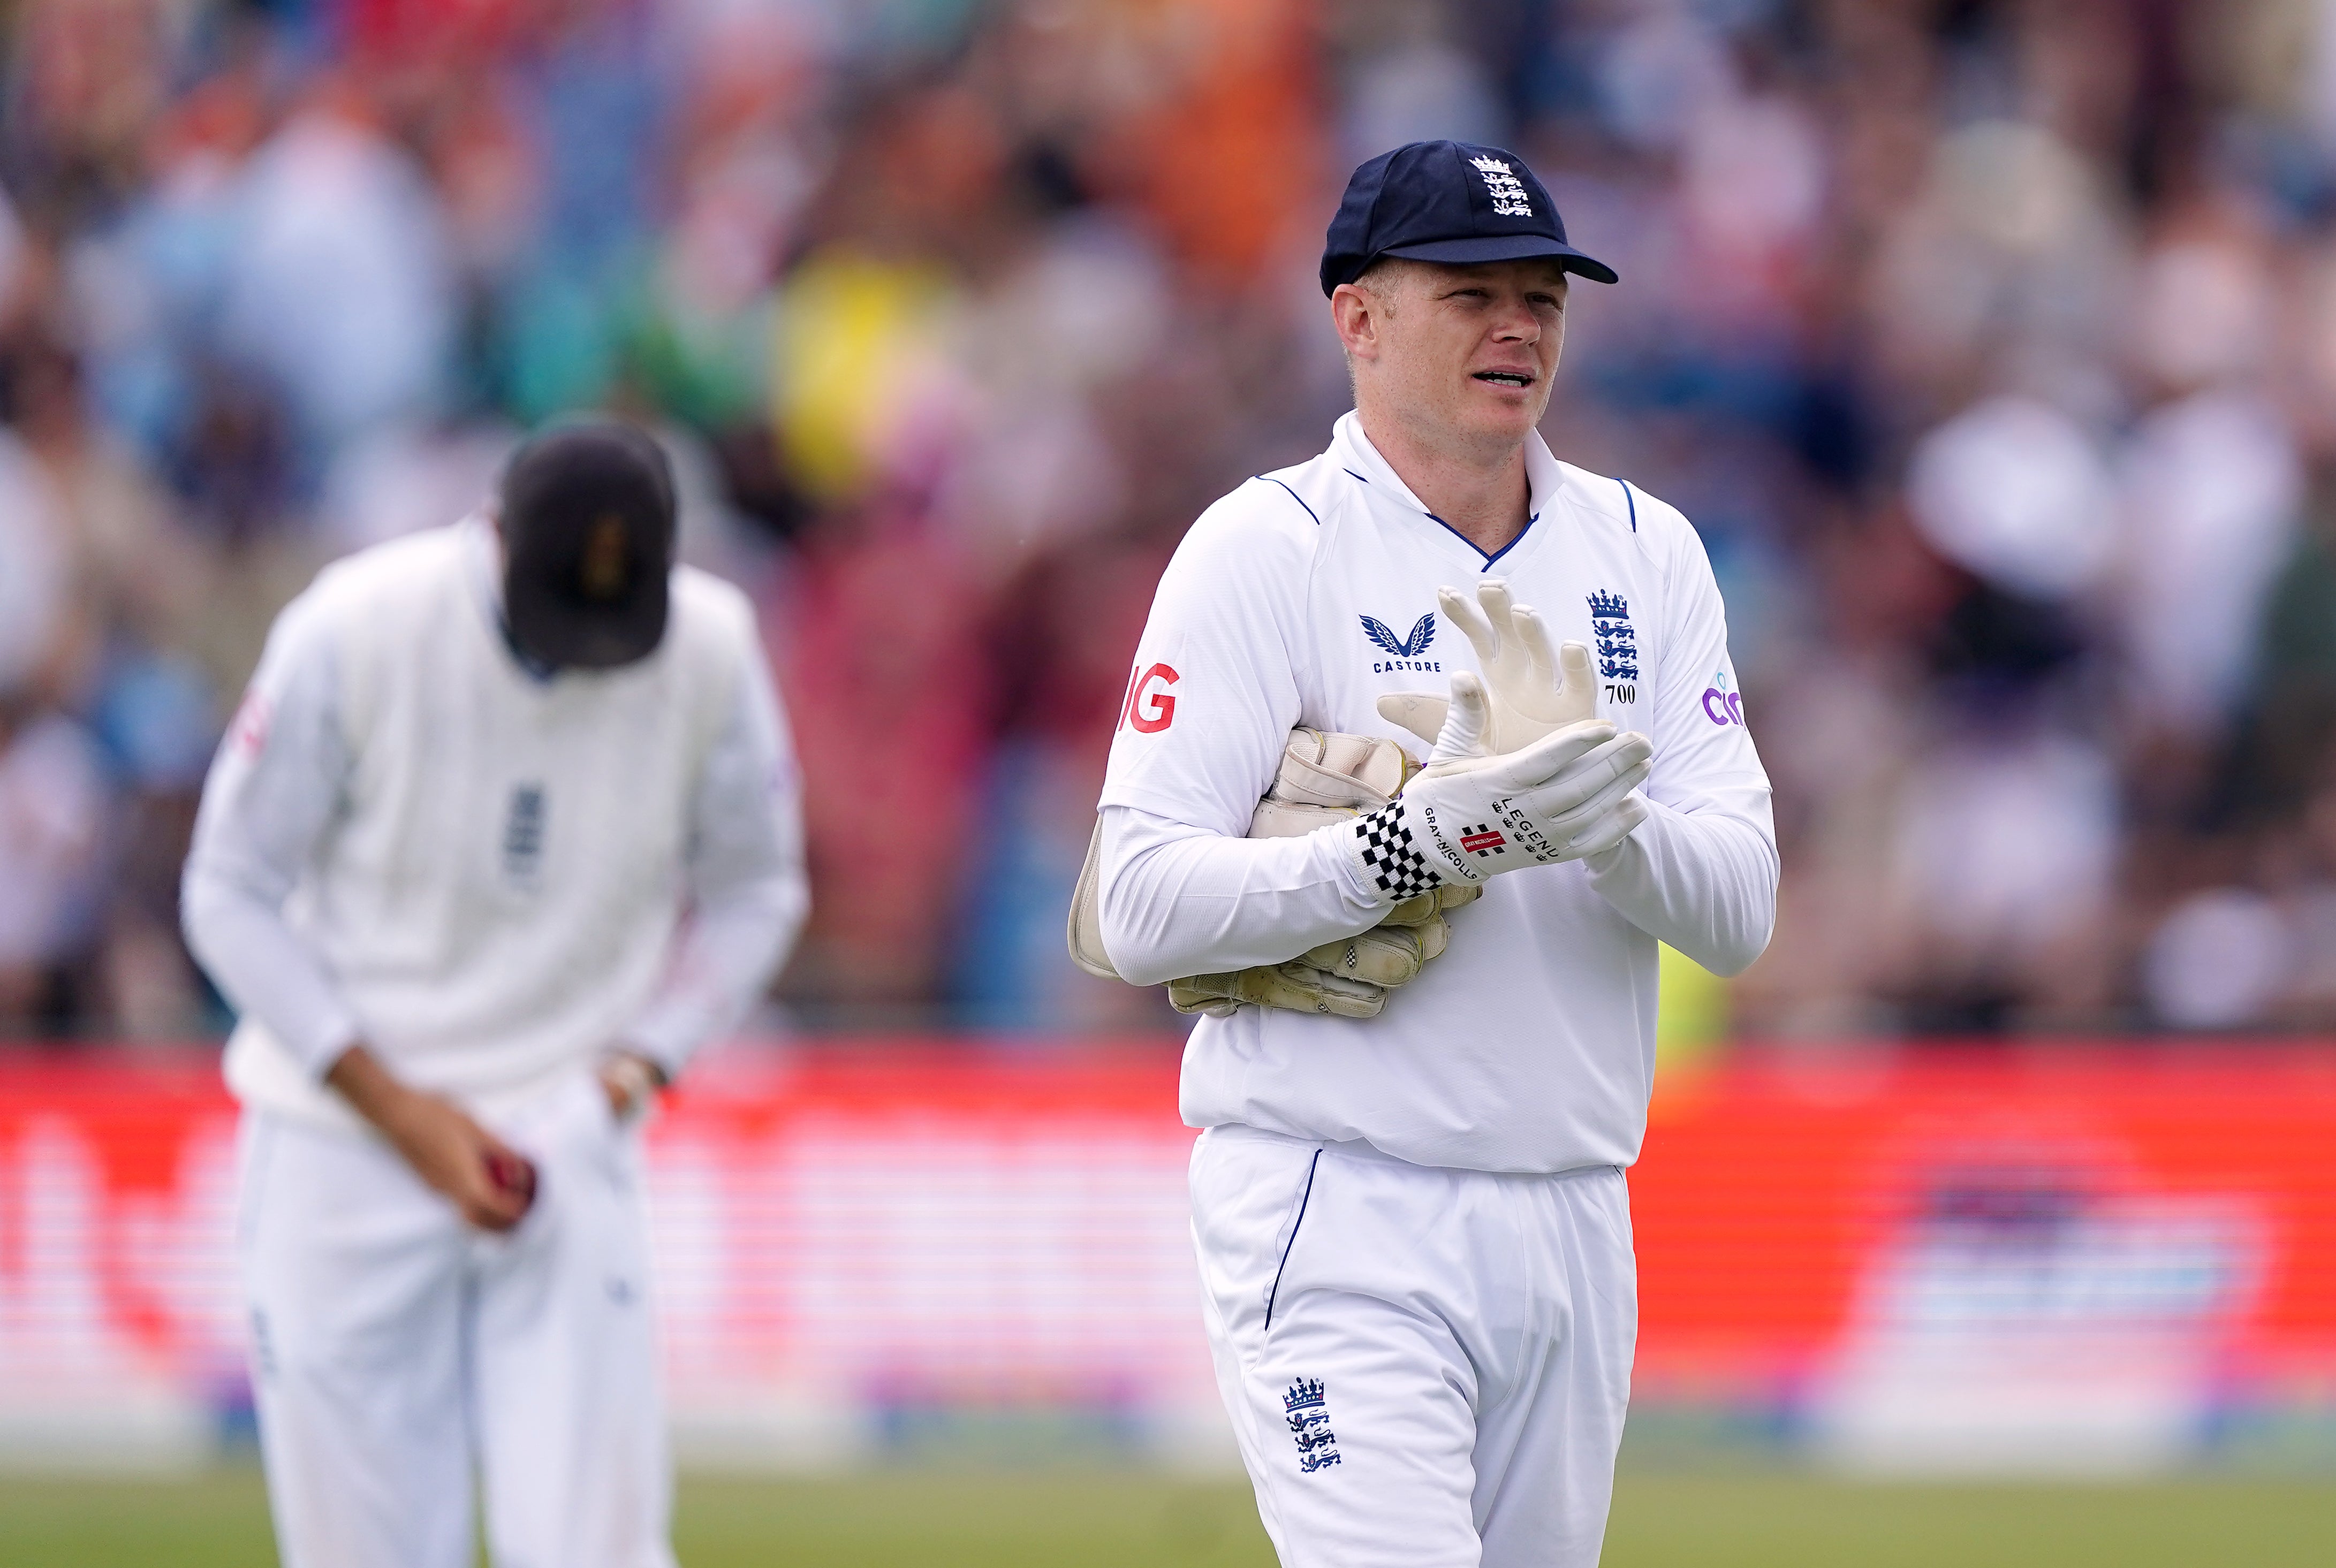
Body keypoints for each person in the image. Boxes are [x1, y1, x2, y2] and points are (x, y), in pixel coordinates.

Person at [1090, 141, 1777, 1567]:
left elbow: (1740, 910)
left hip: (1575, 1212)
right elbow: (1138, 904)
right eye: (1468, 294)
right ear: (1355, 316)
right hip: (1341, 1196)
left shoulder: (1647, 554)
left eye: (1540, 296)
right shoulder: (1261, 548)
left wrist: (1607, 829)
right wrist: (1401, 850)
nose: (1515, 326)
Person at [181, 419, 807, 1568]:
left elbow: (758, 887)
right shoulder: (354, 626)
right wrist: (403, 1110)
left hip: (571, 1129)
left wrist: (635, 1068)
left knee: (600, 1553)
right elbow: (228, 890)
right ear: (491, 534)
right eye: (559, 612)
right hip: (342, 1139)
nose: (583, 654)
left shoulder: (710, 645)